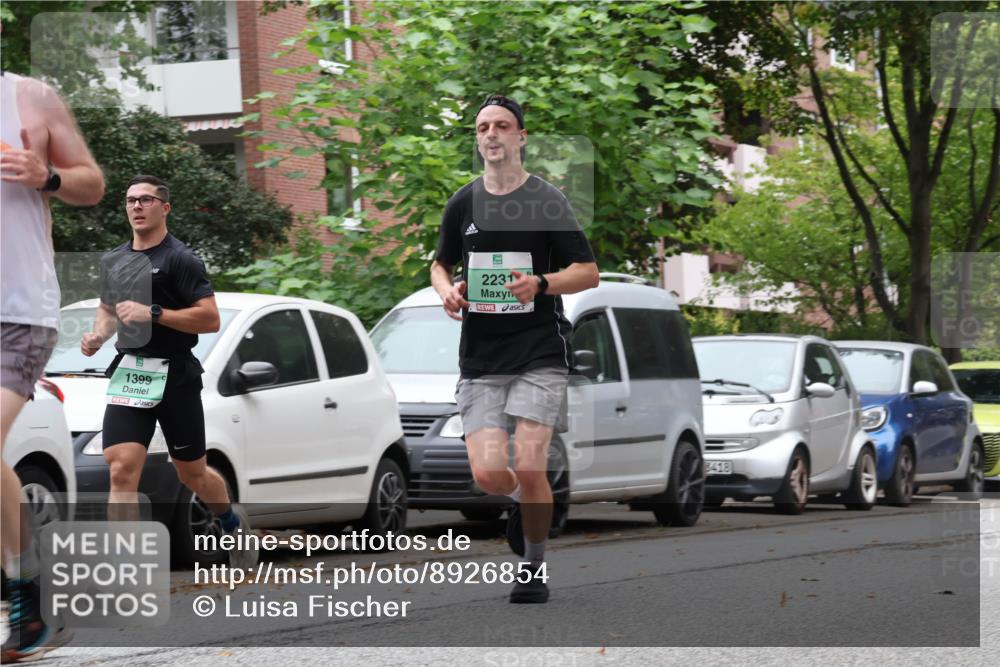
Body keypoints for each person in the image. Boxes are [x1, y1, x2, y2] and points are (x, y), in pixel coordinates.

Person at [430, 94, 599, 604]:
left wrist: (542, 284)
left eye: (502, 126)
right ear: (477, 138)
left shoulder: (547, 200)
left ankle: (533, 567)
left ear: (521, 137)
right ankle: (524, 509)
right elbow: (439, 264)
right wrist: (447, 291)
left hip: (539, 353)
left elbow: (587, 272)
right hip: (481, 357)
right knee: (487, 474)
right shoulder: (463, 202)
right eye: (483, 127)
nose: (491, 134)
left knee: (529, 464)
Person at [80, 175, 257, 573]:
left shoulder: (181, 259)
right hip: (132, 371)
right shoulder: (115, 260)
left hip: (175, 374)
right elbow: (110, 310)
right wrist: (97, 336)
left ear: (165, 208)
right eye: (130, 200)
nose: (137, 206)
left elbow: (209, 318)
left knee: (192, 472)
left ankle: (230, 521)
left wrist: (154, 313)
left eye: (145, 200)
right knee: (122, 467)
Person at [1, 71, 105, 662]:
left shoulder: (28, 97)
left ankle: (30, 596)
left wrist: (49, 176)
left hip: (16, 310)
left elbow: (90, 184)